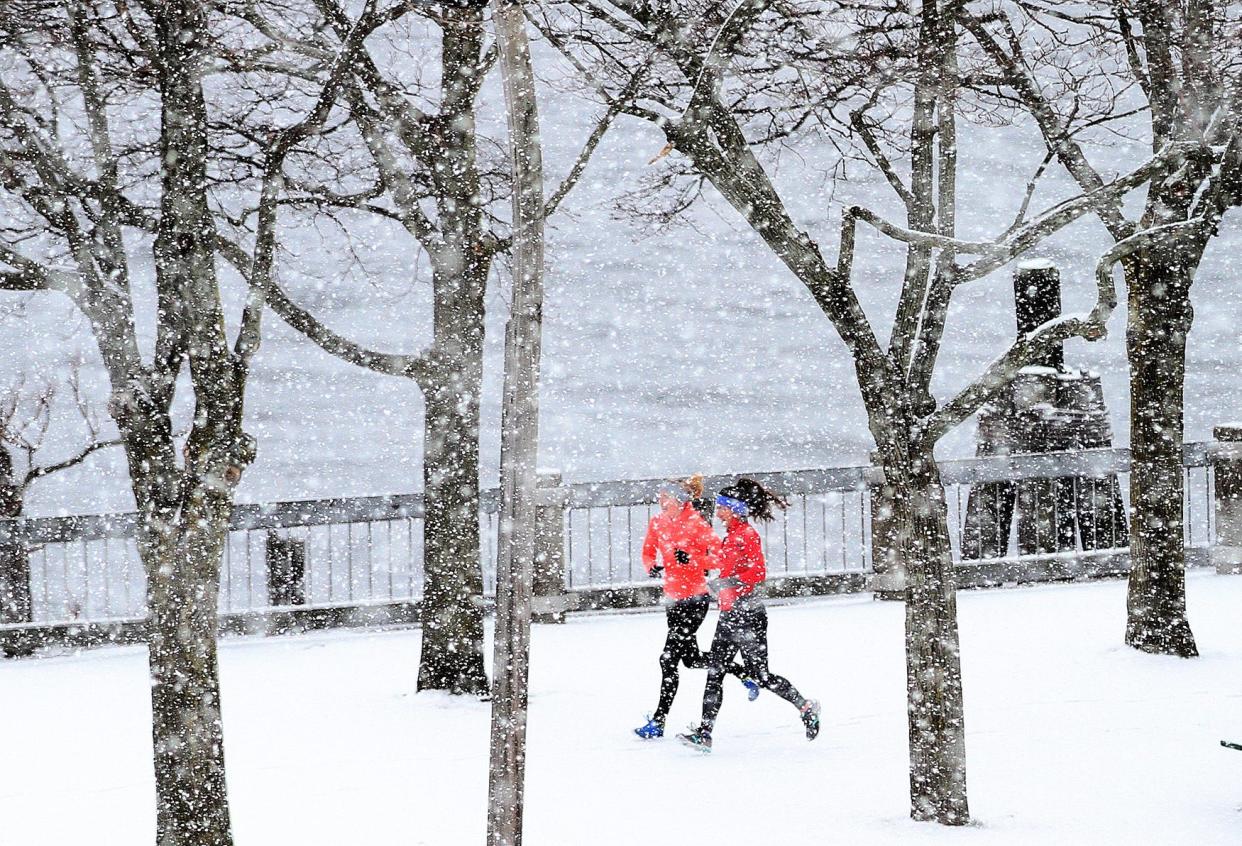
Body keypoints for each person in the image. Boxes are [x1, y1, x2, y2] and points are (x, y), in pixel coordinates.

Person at [677, 478, 820, 752]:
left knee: (762, 676)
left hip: (749, 615)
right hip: (730, 614)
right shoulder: (730, 536)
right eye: (718, 507)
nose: (718, 512)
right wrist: (695, 562)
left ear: (736, 510)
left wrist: (726, 584)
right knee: (715, 672)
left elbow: (758, 573)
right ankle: (704, 734)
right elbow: (721, 564)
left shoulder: (747, 535)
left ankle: (806, 707)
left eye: (722, 508)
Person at [634, 476, 757, 740]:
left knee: (667, 659)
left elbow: (718, 558)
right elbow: (647, 551)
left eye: (664, 496)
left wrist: (692, 559)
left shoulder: (696, 524)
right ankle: (740, 671)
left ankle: (658, 721)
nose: (660, 500)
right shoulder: (657, 522)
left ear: (679, 500)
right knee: (690, 659)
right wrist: (651, 566)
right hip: (673, 599)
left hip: (695, 600)